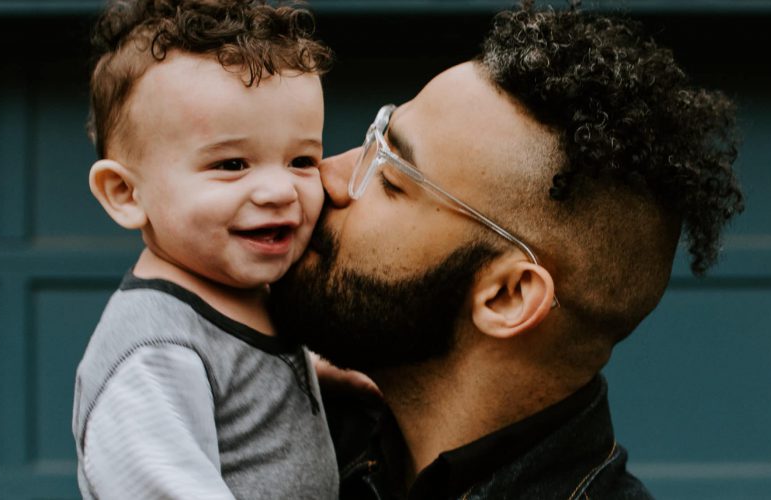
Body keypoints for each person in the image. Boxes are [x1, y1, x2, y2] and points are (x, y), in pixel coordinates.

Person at [268, 1, 745, 498]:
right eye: (375, 139)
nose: (329, 175)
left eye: (390, 178)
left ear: (508, 295)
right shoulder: (279, 415)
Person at [71, 1, 337, 498]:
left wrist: (328, 377)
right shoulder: (154, 355)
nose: (280, 190)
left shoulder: (248, 293)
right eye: (233, 164)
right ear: (126, 194)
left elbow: (247, 375)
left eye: (302, 159)